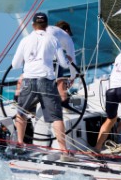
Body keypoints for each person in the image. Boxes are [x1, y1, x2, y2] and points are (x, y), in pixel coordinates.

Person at [11, 12, 77, 162]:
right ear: (46, 25)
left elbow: (15, 64)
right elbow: (63, 64)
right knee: (56, 116)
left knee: (21, 112)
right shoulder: (53, 39)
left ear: (33, 25)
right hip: (46, 80)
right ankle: (64, 151)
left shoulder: (25, 40)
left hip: (28, 80)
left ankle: (20, 144)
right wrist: (68, 59)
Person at [46, 21, 77, 107]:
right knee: (60, 75)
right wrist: (72, 77)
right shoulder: (67, 37)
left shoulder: (51, 29)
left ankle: (18, 95)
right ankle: (64, 100)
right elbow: (72, 60)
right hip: (50, 46)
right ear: (66, 31)